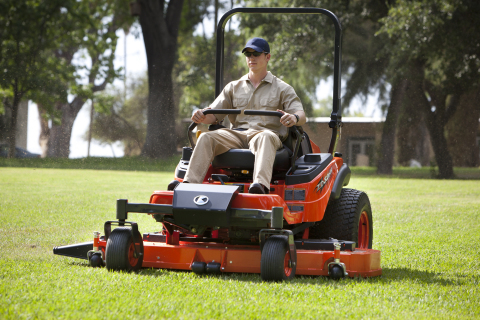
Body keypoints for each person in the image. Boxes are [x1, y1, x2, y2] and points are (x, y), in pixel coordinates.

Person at [184, 37, 306, 194]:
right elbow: (213, 116)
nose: (251, 58)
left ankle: (260, 186)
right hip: (236, 134)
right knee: (206, 137)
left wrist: (293, 118)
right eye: (248, 54)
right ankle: (188, 185)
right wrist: (201, 116)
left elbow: (301, 115)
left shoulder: (283, 88)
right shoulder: (233, 87)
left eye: (256, 54)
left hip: (265, 135)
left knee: (265, 137)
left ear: (267, 57)